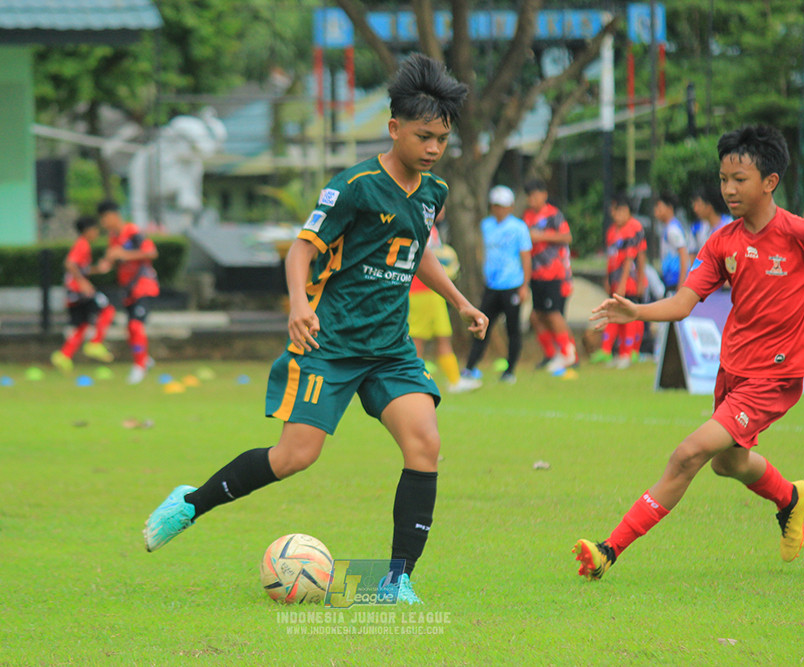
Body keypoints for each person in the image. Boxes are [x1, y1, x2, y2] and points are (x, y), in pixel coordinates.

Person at [141, 54, 487, 604]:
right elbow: (301, 249)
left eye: (442, 140)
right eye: (424, 136)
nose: (433, 149)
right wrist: (299, 305)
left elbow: (418, 252)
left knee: (425, 443)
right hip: (331, 344)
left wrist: (460, 301)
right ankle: (190, 503)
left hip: (390, 349)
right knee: (294, 457)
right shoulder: (355, 186)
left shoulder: (432, 193)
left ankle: (396, 581)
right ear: (394, 127)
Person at [574, 125, 804, 581]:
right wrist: (636, 311)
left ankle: (608, 549)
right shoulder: (722, 241)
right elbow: (683, 303)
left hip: (774, 378)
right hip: (732, 372)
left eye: (739, 179)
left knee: (688, 454)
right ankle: (791, 498)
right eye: (724, 178)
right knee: (728, 463)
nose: (728, 189)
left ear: (769, 182)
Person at [462, 185, 532, 384]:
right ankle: (470, 368)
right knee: (481, 325)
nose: (499, 209)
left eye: (502, 206)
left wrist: (524, 285)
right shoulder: (486, 226)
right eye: (495, 205)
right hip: (492, 286)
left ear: (510, 206)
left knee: (513, 329)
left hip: (512, 285)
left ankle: (510, 370)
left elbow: (525, 257)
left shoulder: (518, 227)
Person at [409, 212, 481, 393]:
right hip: (420, 290)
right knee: (417, 339)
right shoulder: (420, 225)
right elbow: (422, 258)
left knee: (443, 336)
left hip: (434, 292)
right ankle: (412, 381)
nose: (442, 209)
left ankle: (454, 380)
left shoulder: (432, 229)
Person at [95, 200, 160, 385]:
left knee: (135, 325)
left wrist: (124, 255)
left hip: (143, 285)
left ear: (113, 215)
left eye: (104, 218)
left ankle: (139, 366)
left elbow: (151, 253)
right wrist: (104, 264)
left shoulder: (132, 231)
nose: (103, 223)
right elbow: (111, 259)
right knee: (130, 329)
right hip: (128, 288)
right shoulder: (113, 237)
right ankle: (144, 359)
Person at [523, 178, 577, 374]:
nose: (532, 199)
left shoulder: (554, 215)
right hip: (536, 274)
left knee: (554, 314)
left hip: (554, 273)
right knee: (536, 316)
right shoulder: (527, 217)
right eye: (529, 195)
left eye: (535, 194)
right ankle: (550, 354)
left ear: (544, 195)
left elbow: (567, 237)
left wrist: (541, 236)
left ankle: (569, 354)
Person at [50, 215, 117, 372]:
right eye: (95, 230)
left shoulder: (82, 245)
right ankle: (95, 343)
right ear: (88, 231)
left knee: (82, 324)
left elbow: (80, 268)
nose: (97, 233)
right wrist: (82, 282)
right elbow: (69, 264)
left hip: (73, 292)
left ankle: (64, 355)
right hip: (77, 291)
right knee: (108, 310)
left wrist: (97, 269)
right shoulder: (82, 244)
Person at [589, 193, 647, 369]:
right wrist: (608, 279)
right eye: (614, 210)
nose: (615, 214)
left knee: (630, 313)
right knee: (616, 313)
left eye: (619, 210)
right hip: (615, 279)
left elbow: (634, 258)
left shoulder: (634, 228)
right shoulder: (612, 231)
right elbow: (611, 257)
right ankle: (611, 350)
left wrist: (635, 280)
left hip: (629, 280)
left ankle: (629, 352)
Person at [653, 191, 691, 293]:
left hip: (675, 281)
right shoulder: (667, 228)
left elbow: (683, 254)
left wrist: (681, 284)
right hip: (671, 281)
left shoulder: (672, 229)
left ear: (669, 208)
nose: (656, 212)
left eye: (659, 208)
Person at [689, 185, 731, 262]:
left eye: (698, 205)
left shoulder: (729, 225)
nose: (695, 209)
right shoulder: (701, 229)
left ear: (709, 205)